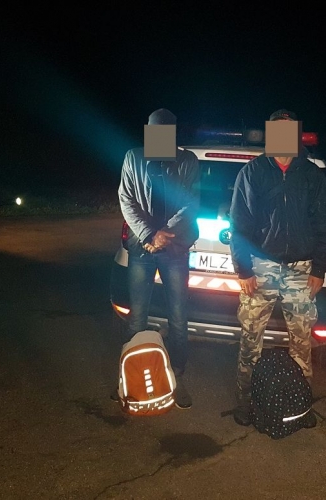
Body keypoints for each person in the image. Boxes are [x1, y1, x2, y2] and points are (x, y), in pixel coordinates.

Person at [229, 109, 326, 426]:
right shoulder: (252, 173)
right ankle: (246, 403)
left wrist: (319, 269)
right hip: (260, 269)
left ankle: (300, 407)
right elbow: (239, 224)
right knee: (250, 341)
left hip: (301, 271)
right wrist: (243, 269)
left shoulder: (311, 174)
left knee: (301, 345)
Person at [117, 108, 200, 409]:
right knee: (137, 316)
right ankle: (130, 378)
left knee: (178, 317)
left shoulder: (188, 161)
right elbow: (126, 199)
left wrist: (165, 235)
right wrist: (150, 235)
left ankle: (177, 376)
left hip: (175, 250)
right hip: (143, 247)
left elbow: (190, 203)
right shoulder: (133, 157)